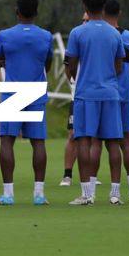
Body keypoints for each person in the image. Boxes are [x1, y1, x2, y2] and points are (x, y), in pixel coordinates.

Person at [0, 0, 52, 206]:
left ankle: (8, 194)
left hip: (13, 92)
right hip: (35, 91)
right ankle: (39, 193)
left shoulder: (5, 35)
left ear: (17, 11)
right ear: (36, 12)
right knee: (38, 142)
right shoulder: (45, 36)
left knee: (7, 140)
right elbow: (48, 63)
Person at [64, 0, 125, 206]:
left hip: (86, 94)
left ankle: (87, 194)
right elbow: (118, 66)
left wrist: (73, 78)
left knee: (83, 140)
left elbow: (71, 64)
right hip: (110, 93)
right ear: (104, 6)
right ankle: (115, 193)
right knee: (113, 142)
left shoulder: (77, 33)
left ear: (84, 6)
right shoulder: (115, 34)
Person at [102, 0, 129, 201]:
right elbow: (128, 57)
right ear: (120, 13)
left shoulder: (100, 36)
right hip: (124, 94)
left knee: (106, 143)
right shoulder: (128, 36)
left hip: (105, 93)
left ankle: (108, 191)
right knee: (127, 142)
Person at [59, 12, 89, 187]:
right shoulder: (75, 38)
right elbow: (67, 65)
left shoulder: (97, 40)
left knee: (93, 137)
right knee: (73, 135)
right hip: (77, 96)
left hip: (94, 95)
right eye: (82, 20)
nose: (84, 23)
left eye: (87, 20)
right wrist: (73, 83)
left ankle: (91, 175)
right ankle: (67, 175)